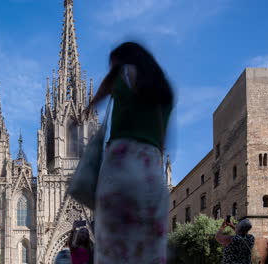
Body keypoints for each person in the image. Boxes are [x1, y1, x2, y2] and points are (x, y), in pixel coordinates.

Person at [84, 42, 174, 263]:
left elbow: (106, 87)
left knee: (113, 248)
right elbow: (163, 142)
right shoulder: (165, 92)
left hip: (121, 170)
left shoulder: (123, 76)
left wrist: (89, 107)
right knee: (149, 248)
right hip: (151, 173)